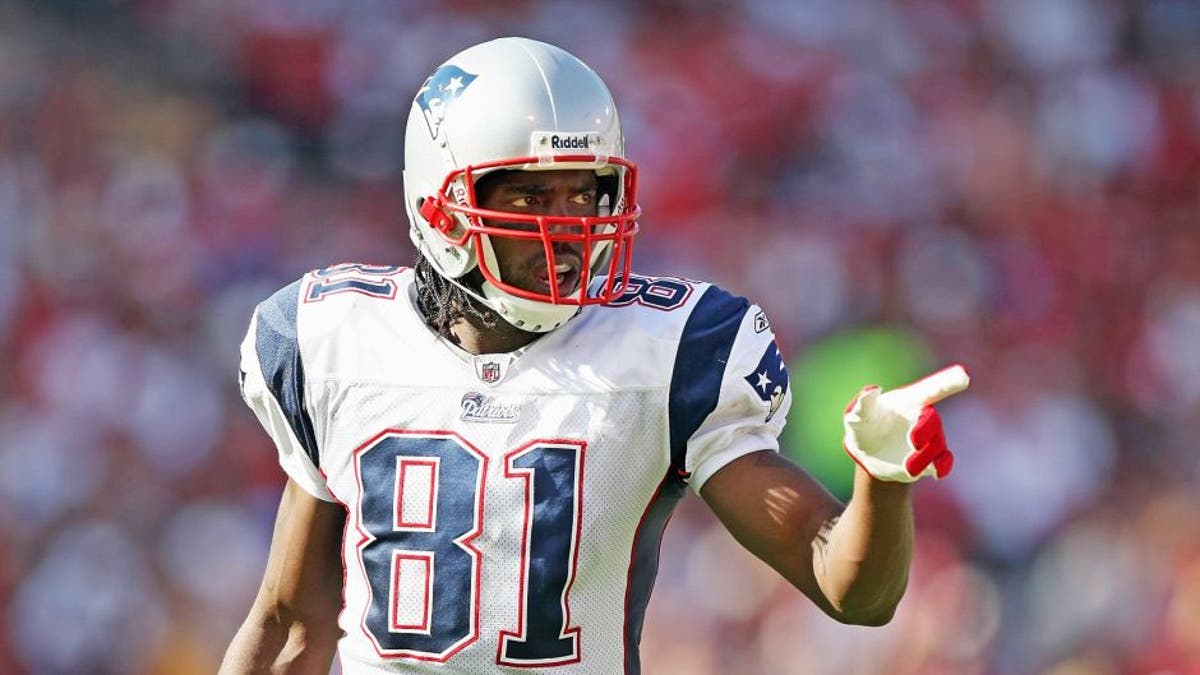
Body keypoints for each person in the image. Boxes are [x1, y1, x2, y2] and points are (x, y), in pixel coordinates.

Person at [220, 37, 969, 674]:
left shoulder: (666, 354)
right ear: (438, 210)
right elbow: (291, 625)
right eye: (532, 199)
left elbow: (848, 587)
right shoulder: (335, 342)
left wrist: (882, 482)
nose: (571, 226)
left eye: (585, 194)